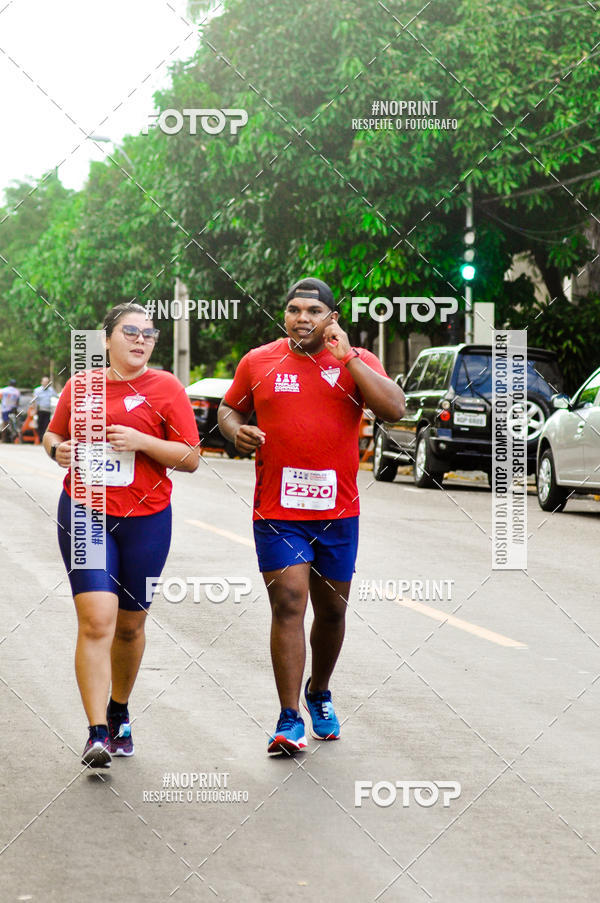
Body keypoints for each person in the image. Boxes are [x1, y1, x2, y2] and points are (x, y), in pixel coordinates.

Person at [218, 278, 405, 755]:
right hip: (278, 511)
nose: (303, 318)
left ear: (331, 318)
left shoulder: (355, 360)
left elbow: (395, 410)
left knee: (333, 611)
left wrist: (350, 360)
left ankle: (318, 691)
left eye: (314, 310)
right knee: (288, 602)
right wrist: (236, 432)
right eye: (294, 309)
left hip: (338, 513)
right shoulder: (258, 361)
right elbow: (229, 409)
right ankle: (288, 719)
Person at [44, 303, 200, 768]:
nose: (141, 339)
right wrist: (60, 451)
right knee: (96, 621)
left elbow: (190, 456)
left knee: (130, 626)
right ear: (106, 338)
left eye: (149, 334)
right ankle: (96, 733)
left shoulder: (166, 387)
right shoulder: (82, 385)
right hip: (85, 512)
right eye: (130, 331)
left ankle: (119, 709)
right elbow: (51, 437)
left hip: (147, 519)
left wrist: (143, 442)